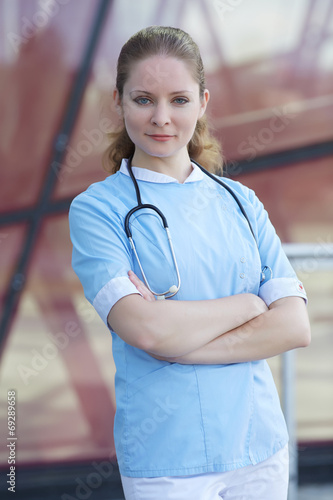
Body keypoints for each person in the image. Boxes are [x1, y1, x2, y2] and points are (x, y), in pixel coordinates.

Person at [69, 26, 311, 500]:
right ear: (117, 101)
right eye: (144, 99)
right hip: (167, 459)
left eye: (178, 100)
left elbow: (294, 327)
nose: (161, 118)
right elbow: (148, 332)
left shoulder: (241, 201)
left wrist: (180, 345)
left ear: (202, 102)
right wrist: (247, 304)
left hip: (258, 448)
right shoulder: (98, 209)